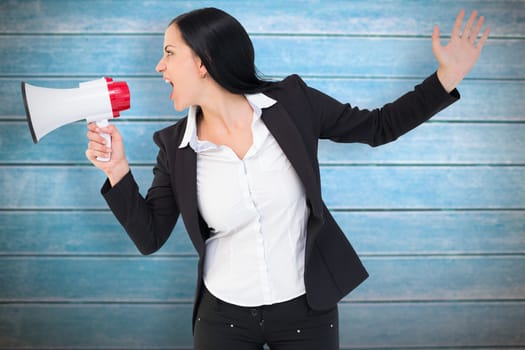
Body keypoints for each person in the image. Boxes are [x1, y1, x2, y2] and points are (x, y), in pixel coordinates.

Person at [86, 7, 489, 350]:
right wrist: (118, 172)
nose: (159, 66)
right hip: (222, 317)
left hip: (306, 309)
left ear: (203, 61)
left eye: (169, 53)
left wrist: (444, 79)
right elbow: (150, 236)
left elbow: (377, 126)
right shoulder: (175, 146)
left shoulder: (293, 104)